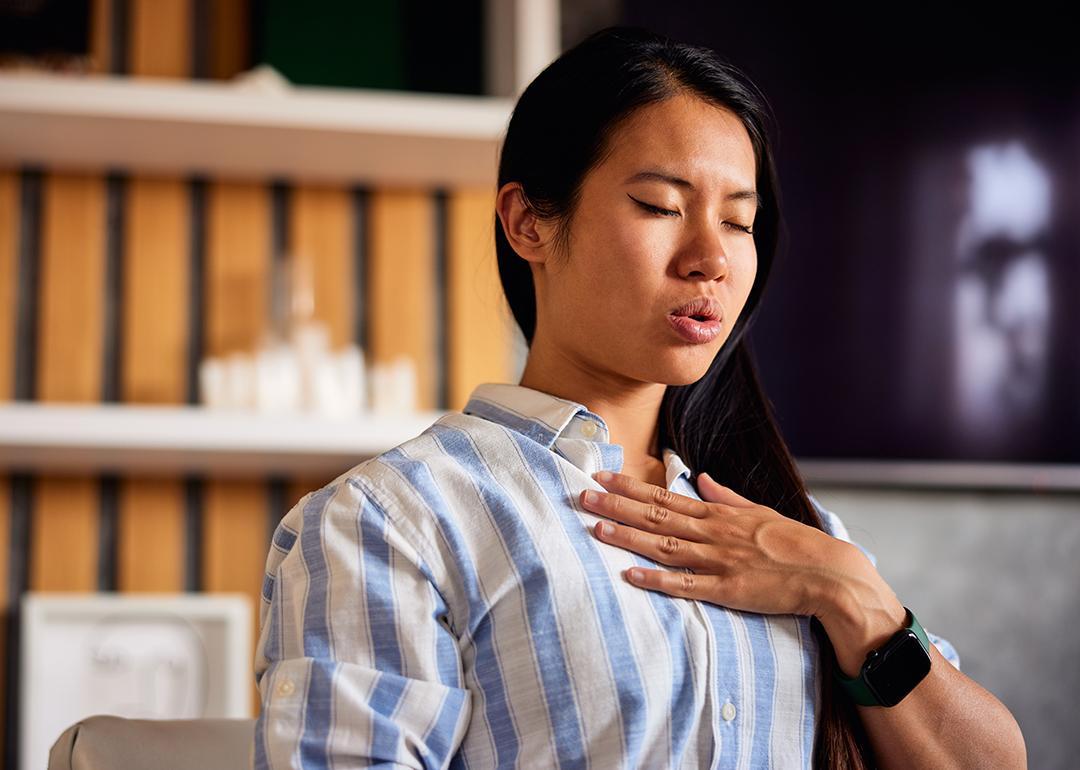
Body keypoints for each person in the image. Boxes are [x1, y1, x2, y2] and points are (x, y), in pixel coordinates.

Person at [252, 25, 1026, 769]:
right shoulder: (392, 523)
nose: (711, 258)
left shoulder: (796, 530)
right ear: (529, 223)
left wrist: (856, 599)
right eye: (660, 206)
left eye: (740, 220)